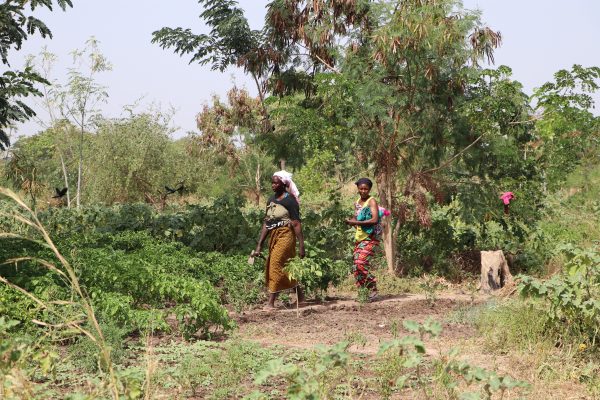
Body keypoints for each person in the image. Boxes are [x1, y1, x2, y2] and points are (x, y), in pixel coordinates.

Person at [253, 170, 305, 310]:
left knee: (275, 264)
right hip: (274, 236)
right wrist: (260, 245)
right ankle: (300, 295)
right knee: (281, 265)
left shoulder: (290, 201)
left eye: (276, 183)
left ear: (284, 184)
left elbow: (296, 223)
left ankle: (271, 302)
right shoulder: (271, 200)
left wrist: (301, 245)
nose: (273, 185)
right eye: (272, 182)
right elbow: (267, 223)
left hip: (286, 235)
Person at [345, 177, 382, 301]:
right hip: (360, 237)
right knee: (356, 266)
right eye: (361, 188)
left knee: (361, 263)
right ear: (358, 189)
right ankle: (363, 292)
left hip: (371, 237)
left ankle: (373, 289)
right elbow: (356, 218)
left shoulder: (372, 202)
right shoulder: (357, 201)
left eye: (366, 188)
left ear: (370, 189)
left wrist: (356, 223)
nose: (363, 191)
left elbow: (374, 220)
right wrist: (351, 221)